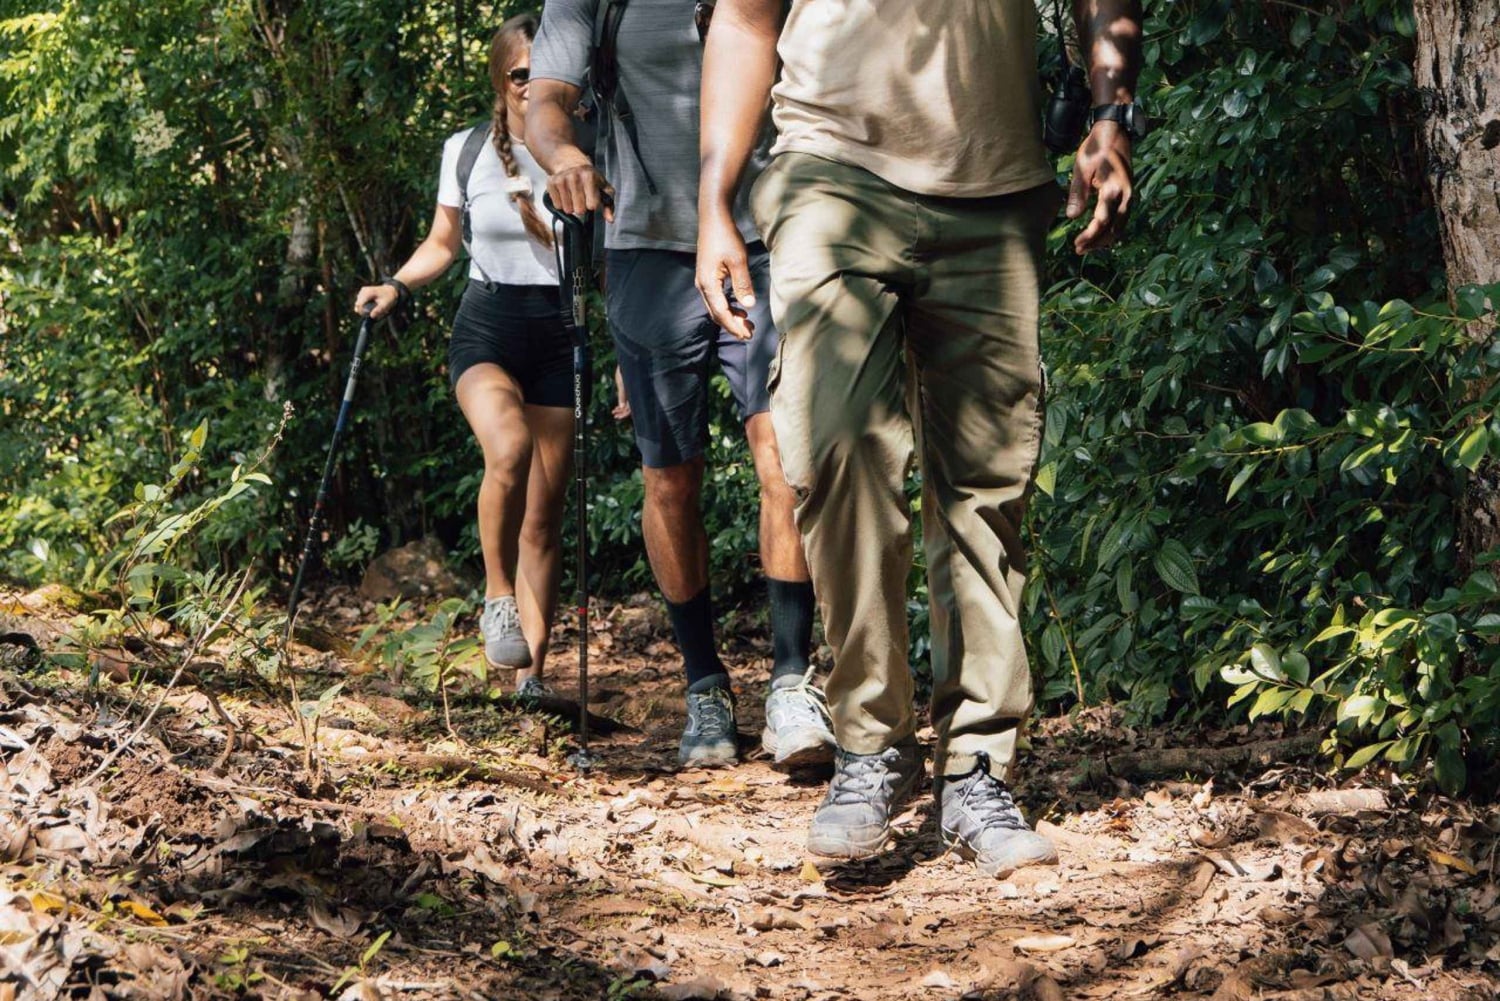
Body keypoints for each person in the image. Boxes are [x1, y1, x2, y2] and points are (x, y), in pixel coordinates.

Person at [696, 0, 1145, 873]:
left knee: (987, 484)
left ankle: (977, 766)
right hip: (831, 169)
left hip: (998, 187)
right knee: (837, 444)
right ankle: (871, 743)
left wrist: (1110, 117)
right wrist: (713, 203)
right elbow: (744, 23)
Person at [526, 0, 836, 770]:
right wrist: (564, 156)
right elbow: (545, 102)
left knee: (785, 458)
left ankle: (792, 681)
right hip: (647, 250)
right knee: (670, 480)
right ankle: (705, 683)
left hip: (770, 237)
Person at [354, 14, 573, 700]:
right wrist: (395, 283)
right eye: (518, 75)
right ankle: (497, 594)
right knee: (507, 448)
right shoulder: (468, 149)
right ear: (499, 80)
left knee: (544, 513)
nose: (530, 86)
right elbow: (443, 244)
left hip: (562, 330)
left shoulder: (581, 149)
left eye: (543, 73)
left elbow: (611, 261)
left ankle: (532, 676)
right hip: (488, 325)